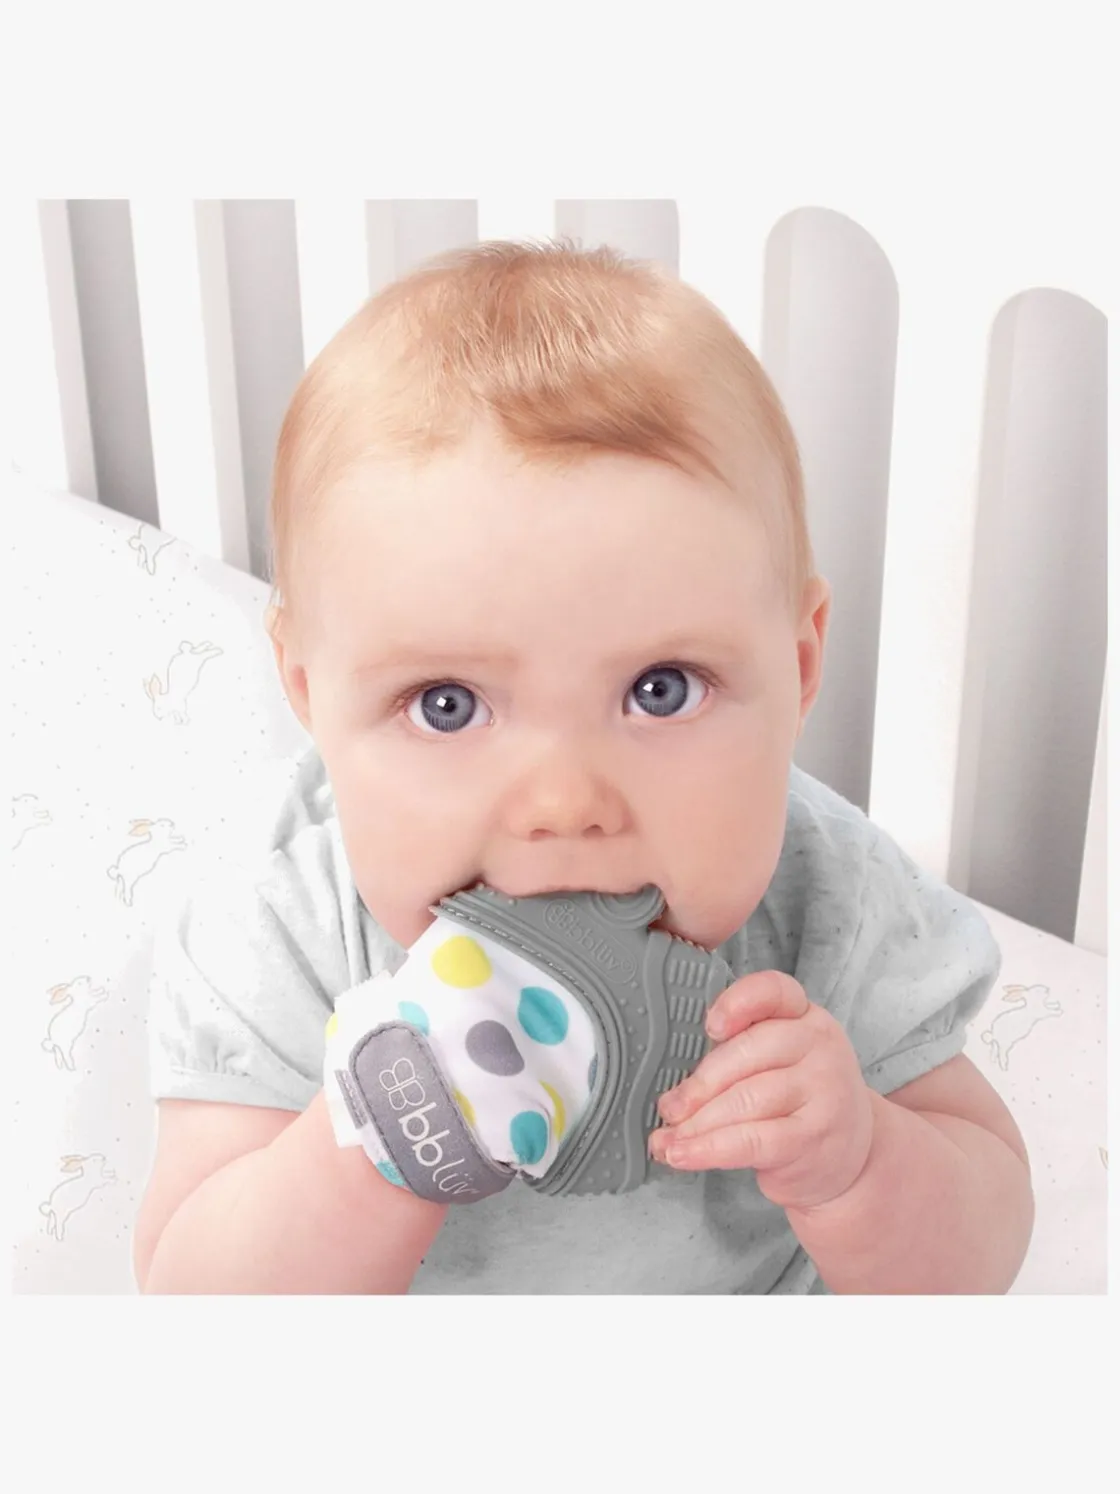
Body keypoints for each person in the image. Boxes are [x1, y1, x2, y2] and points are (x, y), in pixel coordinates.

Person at [133, 240, 1033, 1294]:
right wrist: (378, 1143)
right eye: (446, 704)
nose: (564, 804)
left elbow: (978, 1260)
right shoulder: (282, 928)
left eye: (661, 689)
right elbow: (192, 1300)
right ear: (307, 692)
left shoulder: (836, 901)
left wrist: (862, 1162)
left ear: (797, 668)